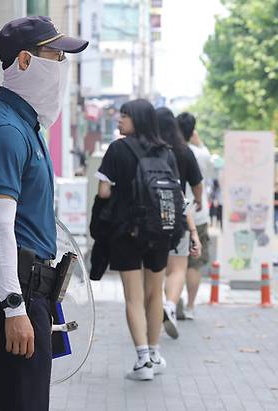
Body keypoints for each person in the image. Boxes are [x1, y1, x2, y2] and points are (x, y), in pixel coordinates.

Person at [0, 16, 88, 410]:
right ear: (27, 61)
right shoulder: (6, 131)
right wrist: (14, 308)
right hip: (14, 292)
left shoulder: (22, 126)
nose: (62, 65)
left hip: (24, 289)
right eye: (57, 55)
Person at [96, 99, 180, 380]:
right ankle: (155, 353)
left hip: (126, 230)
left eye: (125, 116)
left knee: (133, 297)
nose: (119, 120)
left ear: (139, 120)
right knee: (156, 293)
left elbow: (104, 191)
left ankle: (143, 360)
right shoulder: (166, 152)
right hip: (160, 231)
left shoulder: (118, 149)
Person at [156, 108, 202, 338]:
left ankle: (152, 314)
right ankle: (170, 306)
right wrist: (199, 205)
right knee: (178, 268)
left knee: (156, 270)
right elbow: (194, 186)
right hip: (177, 215)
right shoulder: (184, 151)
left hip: (149, 219)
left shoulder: (148, 150)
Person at [177, 112, 213, 319]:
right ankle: (190, 307)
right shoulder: (201, 154)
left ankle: (173, 300)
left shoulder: (169, 151)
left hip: (175, 214)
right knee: (194, 264)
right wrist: (197, 140)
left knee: (174, 262)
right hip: (198, 215)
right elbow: (206, 169)